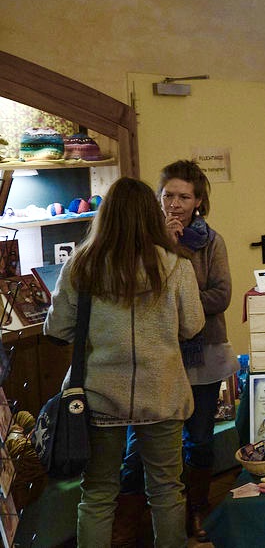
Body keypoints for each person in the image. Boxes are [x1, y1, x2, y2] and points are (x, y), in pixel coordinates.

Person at [43, 177, 204, 547]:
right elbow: (193, 325)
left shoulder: (81, 265)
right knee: (166, 490)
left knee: (97, 495)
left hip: (98, 395)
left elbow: (58, 328)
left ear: (106, 215)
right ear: (151, 215)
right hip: (162, 391)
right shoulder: (176, 266)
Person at [115, 160, 237, 544]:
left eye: (184, 197)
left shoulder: (212, 242)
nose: (175, 204)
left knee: (199, 438)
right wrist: (165, 248)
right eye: (168, 195)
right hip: (155, 356)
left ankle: (196, 509)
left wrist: (178, 303)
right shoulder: (141, 243)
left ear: (198, 201)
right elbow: (135, 295)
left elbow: (221, 295)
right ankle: (128, 523)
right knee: (139, 444)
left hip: (204, 353)